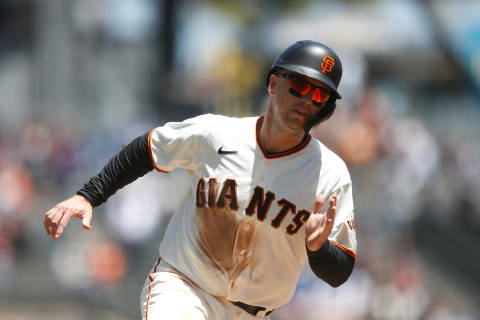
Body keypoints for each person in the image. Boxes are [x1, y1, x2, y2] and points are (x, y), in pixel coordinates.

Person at [44, 40, 357, 320]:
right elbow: (148, 149)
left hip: (253, 313)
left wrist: (317, 249)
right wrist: (88, 195)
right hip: (183, 286)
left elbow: (340, 270)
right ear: (274, 84)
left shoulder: (329, 173)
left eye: (319, 94)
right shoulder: (216, 133)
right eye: (300, 86)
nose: (307, 99)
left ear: (325, 109)